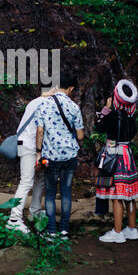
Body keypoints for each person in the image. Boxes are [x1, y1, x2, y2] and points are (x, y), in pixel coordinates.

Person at [34, 74, 84, 240]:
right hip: (69, 156)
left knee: (49, 193)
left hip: (51, 156)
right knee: (66, 193)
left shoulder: (44, 104)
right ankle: (64, 230)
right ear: (70, 89)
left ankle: (51, 230)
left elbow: (40, 131)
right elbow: (81, 135)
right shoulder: (74, 107)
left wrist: (39, 152)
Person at [6, 86, 58, 234]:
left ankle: (34, 212)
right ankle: (14, 219)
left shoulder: (33, 102)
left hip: (24, 144)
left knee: (39, 178)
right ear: (53, 89)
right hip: (31, 146)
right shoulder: (46, 104)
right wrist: (38, 153)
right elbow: (40, 130)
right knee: (27, 181)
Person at [95, 79, 138, 244]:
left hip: (115, 156)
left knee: (116, 195)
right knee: (129, 195)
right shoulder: (131, 117)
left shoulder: (113, 115)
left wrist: (106, 108)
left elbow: (99, 127)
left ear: (116, 98)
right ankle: (132, 229)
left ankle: (117, 232)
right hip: (128, 154)